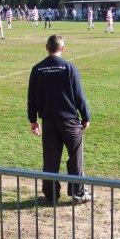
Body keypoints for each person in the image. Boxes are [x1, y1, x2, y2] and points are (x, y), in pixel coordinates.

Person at [27, 35, 92, 204]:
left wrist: (33, 119)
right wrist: (86, 116)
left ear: (47, 48)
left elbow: (31, 97)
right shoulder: (70, 68)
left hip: (48, 121)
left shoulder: (37, 69)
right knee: (75, 157)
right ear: (63, 48)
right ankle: (78, 192)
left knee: (50, 159)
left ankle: (51, 194)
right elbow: (79, 96)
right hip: (69, 120)